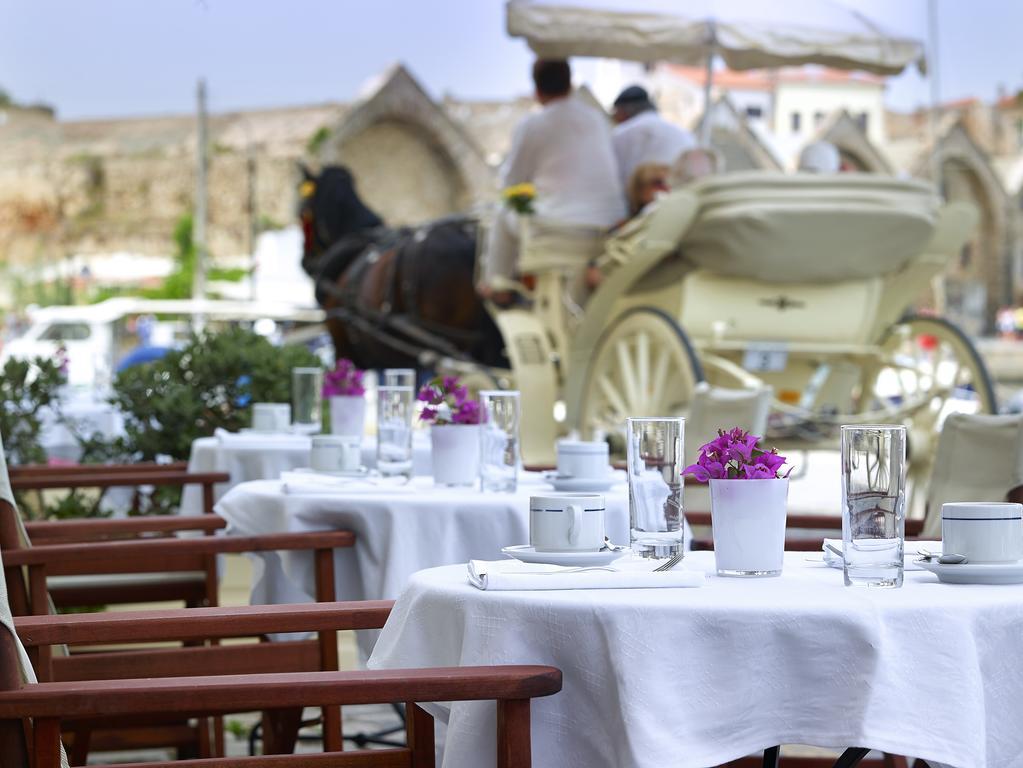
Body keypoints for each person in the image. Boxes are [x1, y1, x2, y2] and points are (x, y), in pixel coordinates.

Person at [480, 59, 625, 302]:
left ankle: (497, 285)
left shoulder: (533, 124)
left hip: (558, 228)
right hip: (608, 226)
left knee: (503, 211)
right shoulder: (596, 119)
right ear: (570, 84)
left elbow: (511, 184)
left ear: (536, 92)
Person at [611, 85, 696, 190]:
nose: (614, 117)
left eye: (615, 112)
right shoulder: (684, 133)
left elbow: (614, 176)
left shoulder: (622, 133)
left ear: (623, 111)